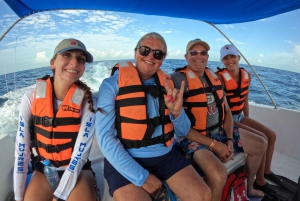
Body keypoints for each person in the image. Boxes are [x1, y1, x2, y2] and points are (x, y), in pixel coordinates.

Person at [95, 32, 211, 201]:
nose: (150, 56)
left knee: (203, 195)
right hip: (124, 160)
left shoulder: (168, 84)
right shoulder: (111, 85)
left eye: (158, 53)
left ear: (163, 58)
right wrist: (142, 177)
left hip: (166, 157)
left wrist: (177, 113)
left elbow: (183, 130)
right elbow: (105, 138)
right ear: (136, 52)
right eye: (145, 50)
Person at [171, 38, 268, 199]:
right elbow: (179, 126)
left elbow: (228, 113)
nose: (199, 56)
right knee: (218, 173)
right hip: (192, 138)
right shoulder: (177, 79)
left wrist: (229, 139)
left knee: (261, 144)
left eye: (203, 53)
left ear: (208, 57)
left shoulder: (214, 77)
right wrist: (215, 145)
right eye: (194, 52)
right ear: (186, 56)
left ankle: (249, 188)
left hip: (219, 132)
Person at [13, 38, 97, 201]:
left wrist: (60, 197)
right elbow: (22, 150)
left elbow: (80, 155)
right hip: (44, 169)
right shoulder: (30, 98)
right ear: (53, 62)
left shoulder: (88, 102)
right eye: (67, 55)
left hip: (78, 170)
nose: (74, 62)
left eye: (81, 59)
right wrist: (18, 197)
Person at [216, 44, 278, 192]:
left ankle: (267, 172)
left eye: (232, 56)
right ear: (222, 61)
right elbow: (221, 108)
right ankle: (260, 181)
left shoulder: (247, 75)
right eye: (225, 58)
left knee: (271, 135)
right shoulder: (220, 78)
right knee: (262, 138)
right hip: (228, 119)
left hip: (240, 116)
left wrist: (248, 122)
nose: (230, 60)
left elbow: (244, 101)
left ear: (239, 57)